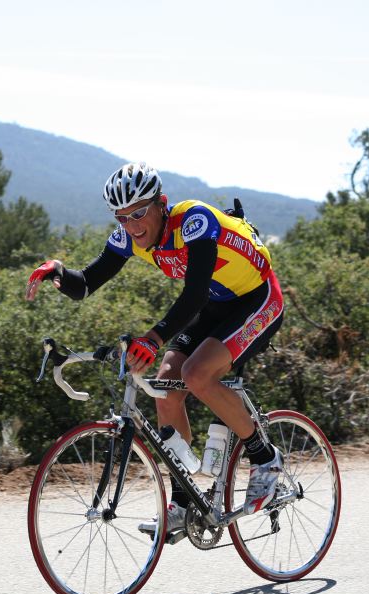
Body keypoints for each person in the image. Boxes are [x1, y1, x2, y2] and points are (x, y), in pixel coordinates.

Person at [25, 161, 285, 533]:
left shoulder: (194, 221)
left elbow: (193, 294)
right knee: (165, 385)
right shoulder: (129, 236)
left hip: (257, 299)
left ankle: (265, 457)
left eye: (139, 214)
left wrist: (153, 338)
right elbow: (84, 284)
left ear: (161, 203)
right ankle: (183, 501)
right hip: (216, 304)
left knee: (197, 374)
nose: (131, 225)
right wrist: (57, 272)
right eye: (121, 218)